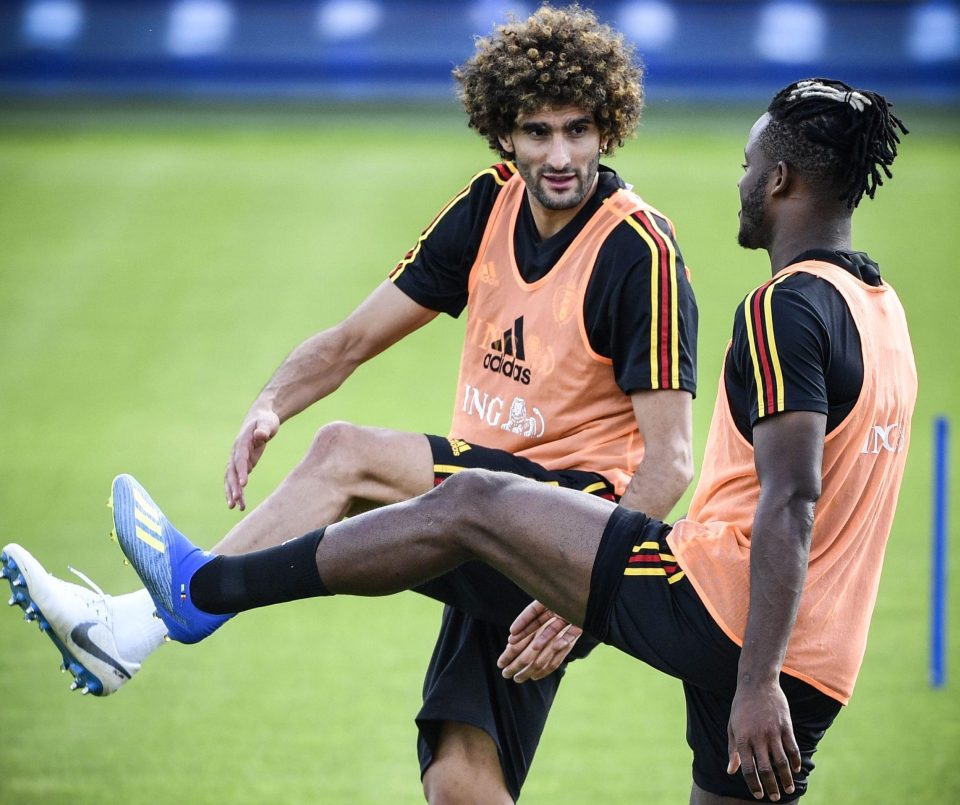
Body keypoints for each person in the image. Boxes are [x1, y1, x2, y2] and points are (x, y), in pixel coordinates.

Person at [5, 75, 913, 803]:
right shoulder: (877, 308)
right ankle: (146, 621)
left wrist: (580, 591)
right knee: (460, 781)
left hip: (597, 537)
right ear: (502, 135)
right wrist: (271, 400)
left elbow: (694, 468)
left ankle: (175, 605)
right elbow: (355, 337)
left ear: (609, 131)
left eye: (578, 131)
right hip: (786, 642)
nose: (559, 154)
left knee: (362, 460)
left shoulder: (670, 263)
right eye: (537, 132)